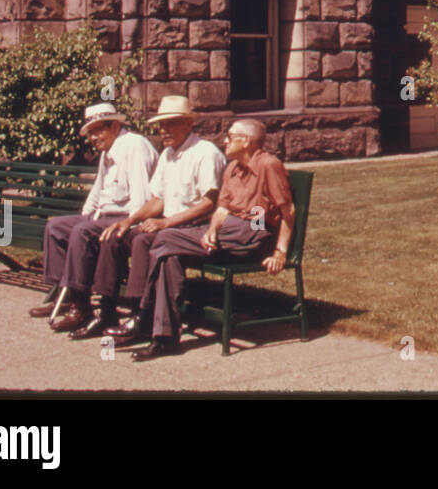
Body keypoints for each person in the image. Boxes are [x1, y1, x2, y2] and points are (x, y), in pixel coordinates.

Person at [129, 119, 295, 361]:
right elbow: (221, 210)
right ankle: (164, 338)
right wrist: (212, 231)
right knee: (169, 255)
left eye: (229, 136)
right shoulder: (232, 168)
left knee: (164, 237)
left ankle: (143, 314)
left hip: (255, 228)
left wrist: (280, 252)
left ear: (245, 141)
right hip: (230, 230)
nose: (224, 141)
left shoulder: (268, 165)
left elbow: (288, 210)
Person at [96, 95, 225, 344]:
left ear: (188, 124)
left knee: (144, 241)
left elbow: (209, 204)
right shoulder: (167, 155)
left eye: (170, 124)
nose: (163, 130)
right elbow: (157, 200)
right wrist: (128, 221)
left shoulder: (205, 153)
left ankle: (139, 315)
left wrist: (166, 223)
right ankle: (107, 310)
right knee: (116, 236)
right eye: (160, 125)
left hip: (194, 228)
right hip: (171, 225)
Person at [27, 103, 156, 332]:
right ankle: (66, 298)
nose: (93, 138)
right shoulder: (108, 151)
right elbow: (98, 191)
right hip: (102, 216)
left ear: (115, 125)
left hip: (125, 217)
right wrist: (85, 215)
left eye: (98, 130)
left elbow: (142, 196)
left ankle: (82, 307)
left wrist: (130, 224)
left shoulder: (134, 146)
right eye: (90, 133)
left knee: (81, 232)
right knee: (56, 227)